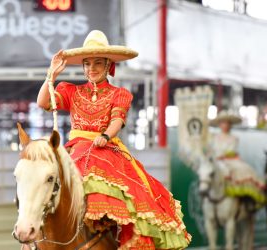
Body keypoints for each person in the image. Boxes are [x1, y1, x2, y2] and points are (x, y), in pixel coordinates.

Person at [37, 30, 191, 249]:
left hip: (104, 149)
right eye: (87, 64)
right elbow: (43, 102)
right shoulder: (72, 91)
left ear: (109, 65)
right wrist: (50, 75)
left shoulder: (119, 94)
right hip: (75, 149)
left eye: (98, 63)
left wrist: (105, 136)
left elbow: (117, 120)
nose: (92, 69)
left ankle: (112, 234)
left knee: (126, 196)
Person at [207, 110, 266, 206]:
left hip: (231, 160)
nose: (225, 125)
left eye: (227, 123)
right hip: (217, 160)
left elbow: (231, 151)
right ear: (219, 124)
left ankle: (245, 200)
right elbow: (211, 151)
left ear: (230, 125)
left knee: (245, 169)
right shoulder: (214, 137)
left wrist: (222, 155)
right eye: (223, 123)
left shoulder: (234, 138)